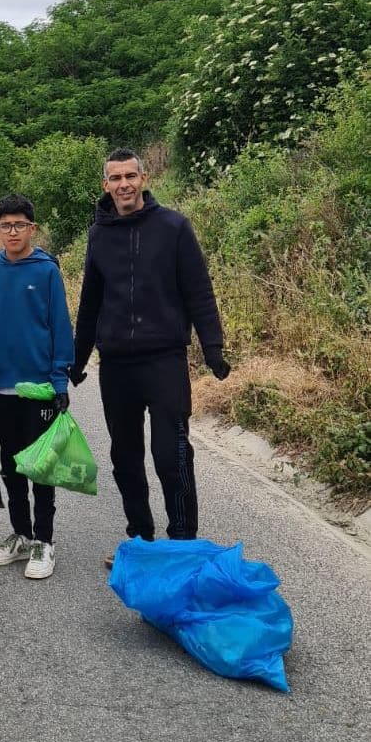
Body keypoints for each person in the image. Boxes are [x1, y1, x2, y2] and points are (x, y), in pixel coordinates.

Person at [69, 148, 231, 567]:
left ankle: (181, 544)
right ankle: (140, 537)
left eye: (130, 176)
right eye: (115, 178)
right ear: (105, 185)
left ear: (144, 179)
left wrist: (212, 347)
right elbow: (90, 302)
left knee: (171, 452)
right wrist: (78, 356)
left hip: (164, 360)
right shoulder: (99, 234)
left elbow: (199, 290)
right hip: (118, 364)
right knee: (125, 456)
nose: (123, 184)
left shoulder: (174, 227)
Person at [0, 194, 74, 580]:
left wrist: (60, 380)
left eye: (20, 225)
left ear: (32, 228)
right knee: (10, 464)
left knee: (40, 466)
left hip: (39, 387)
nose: (13, 231)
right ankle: (20, 534)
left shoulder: (46, 272)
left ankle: (44, 540)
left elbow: (61, 327)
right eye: (5, 225)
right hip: (1, 384)